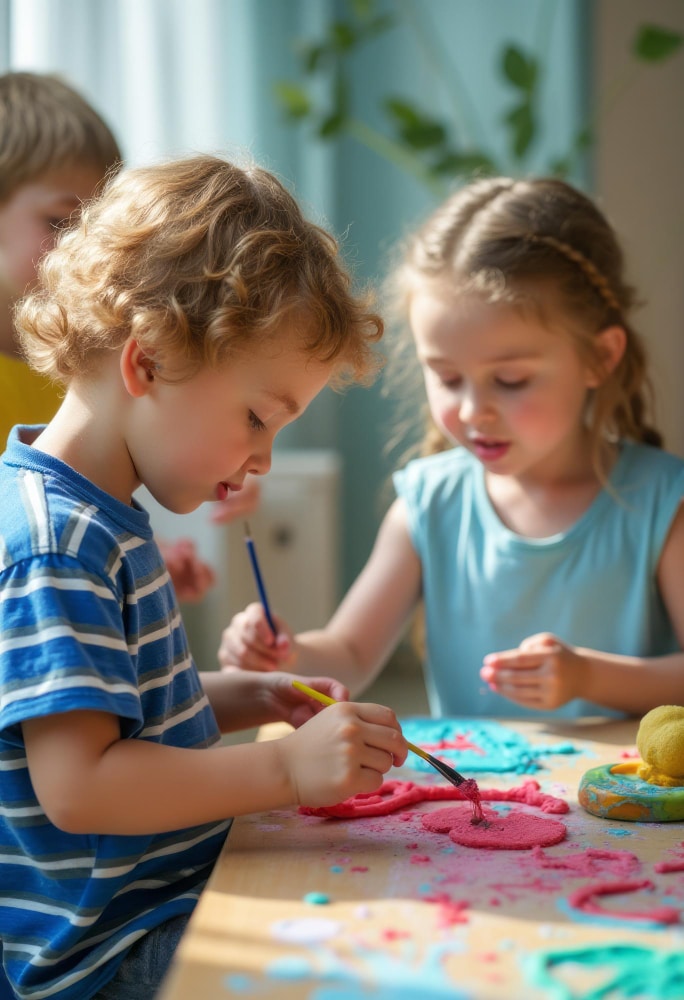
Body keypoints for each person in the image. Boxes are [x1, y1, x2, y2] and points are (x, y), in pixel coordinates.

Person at [0, 153, 408, 1000]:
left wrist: (252, 698)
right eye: (258, 416)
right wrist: (286, 770)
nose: (263, 457)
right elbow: (80, 786)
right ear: (145, 362)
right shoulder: (59, 543)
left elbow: (120, 718)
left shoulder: (98, 509)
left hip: (151, 911)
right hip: (105, 958)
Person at [218, 175, 684, 721]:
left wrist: (588, 677)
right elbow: (348, 654)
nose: (471, 411)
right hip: (481, 805)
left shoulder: (662, 504)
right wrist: (284, 656)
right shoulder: (427, 504)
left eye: (510, 381)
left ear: (600, 358)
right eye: (446, 376)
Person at [0, 70, 255, 602]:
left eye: (94, 227)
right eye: (60, 222)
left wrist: (129, 563)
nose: (80, 248)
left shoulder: (86, 362)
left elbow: (79, 504)